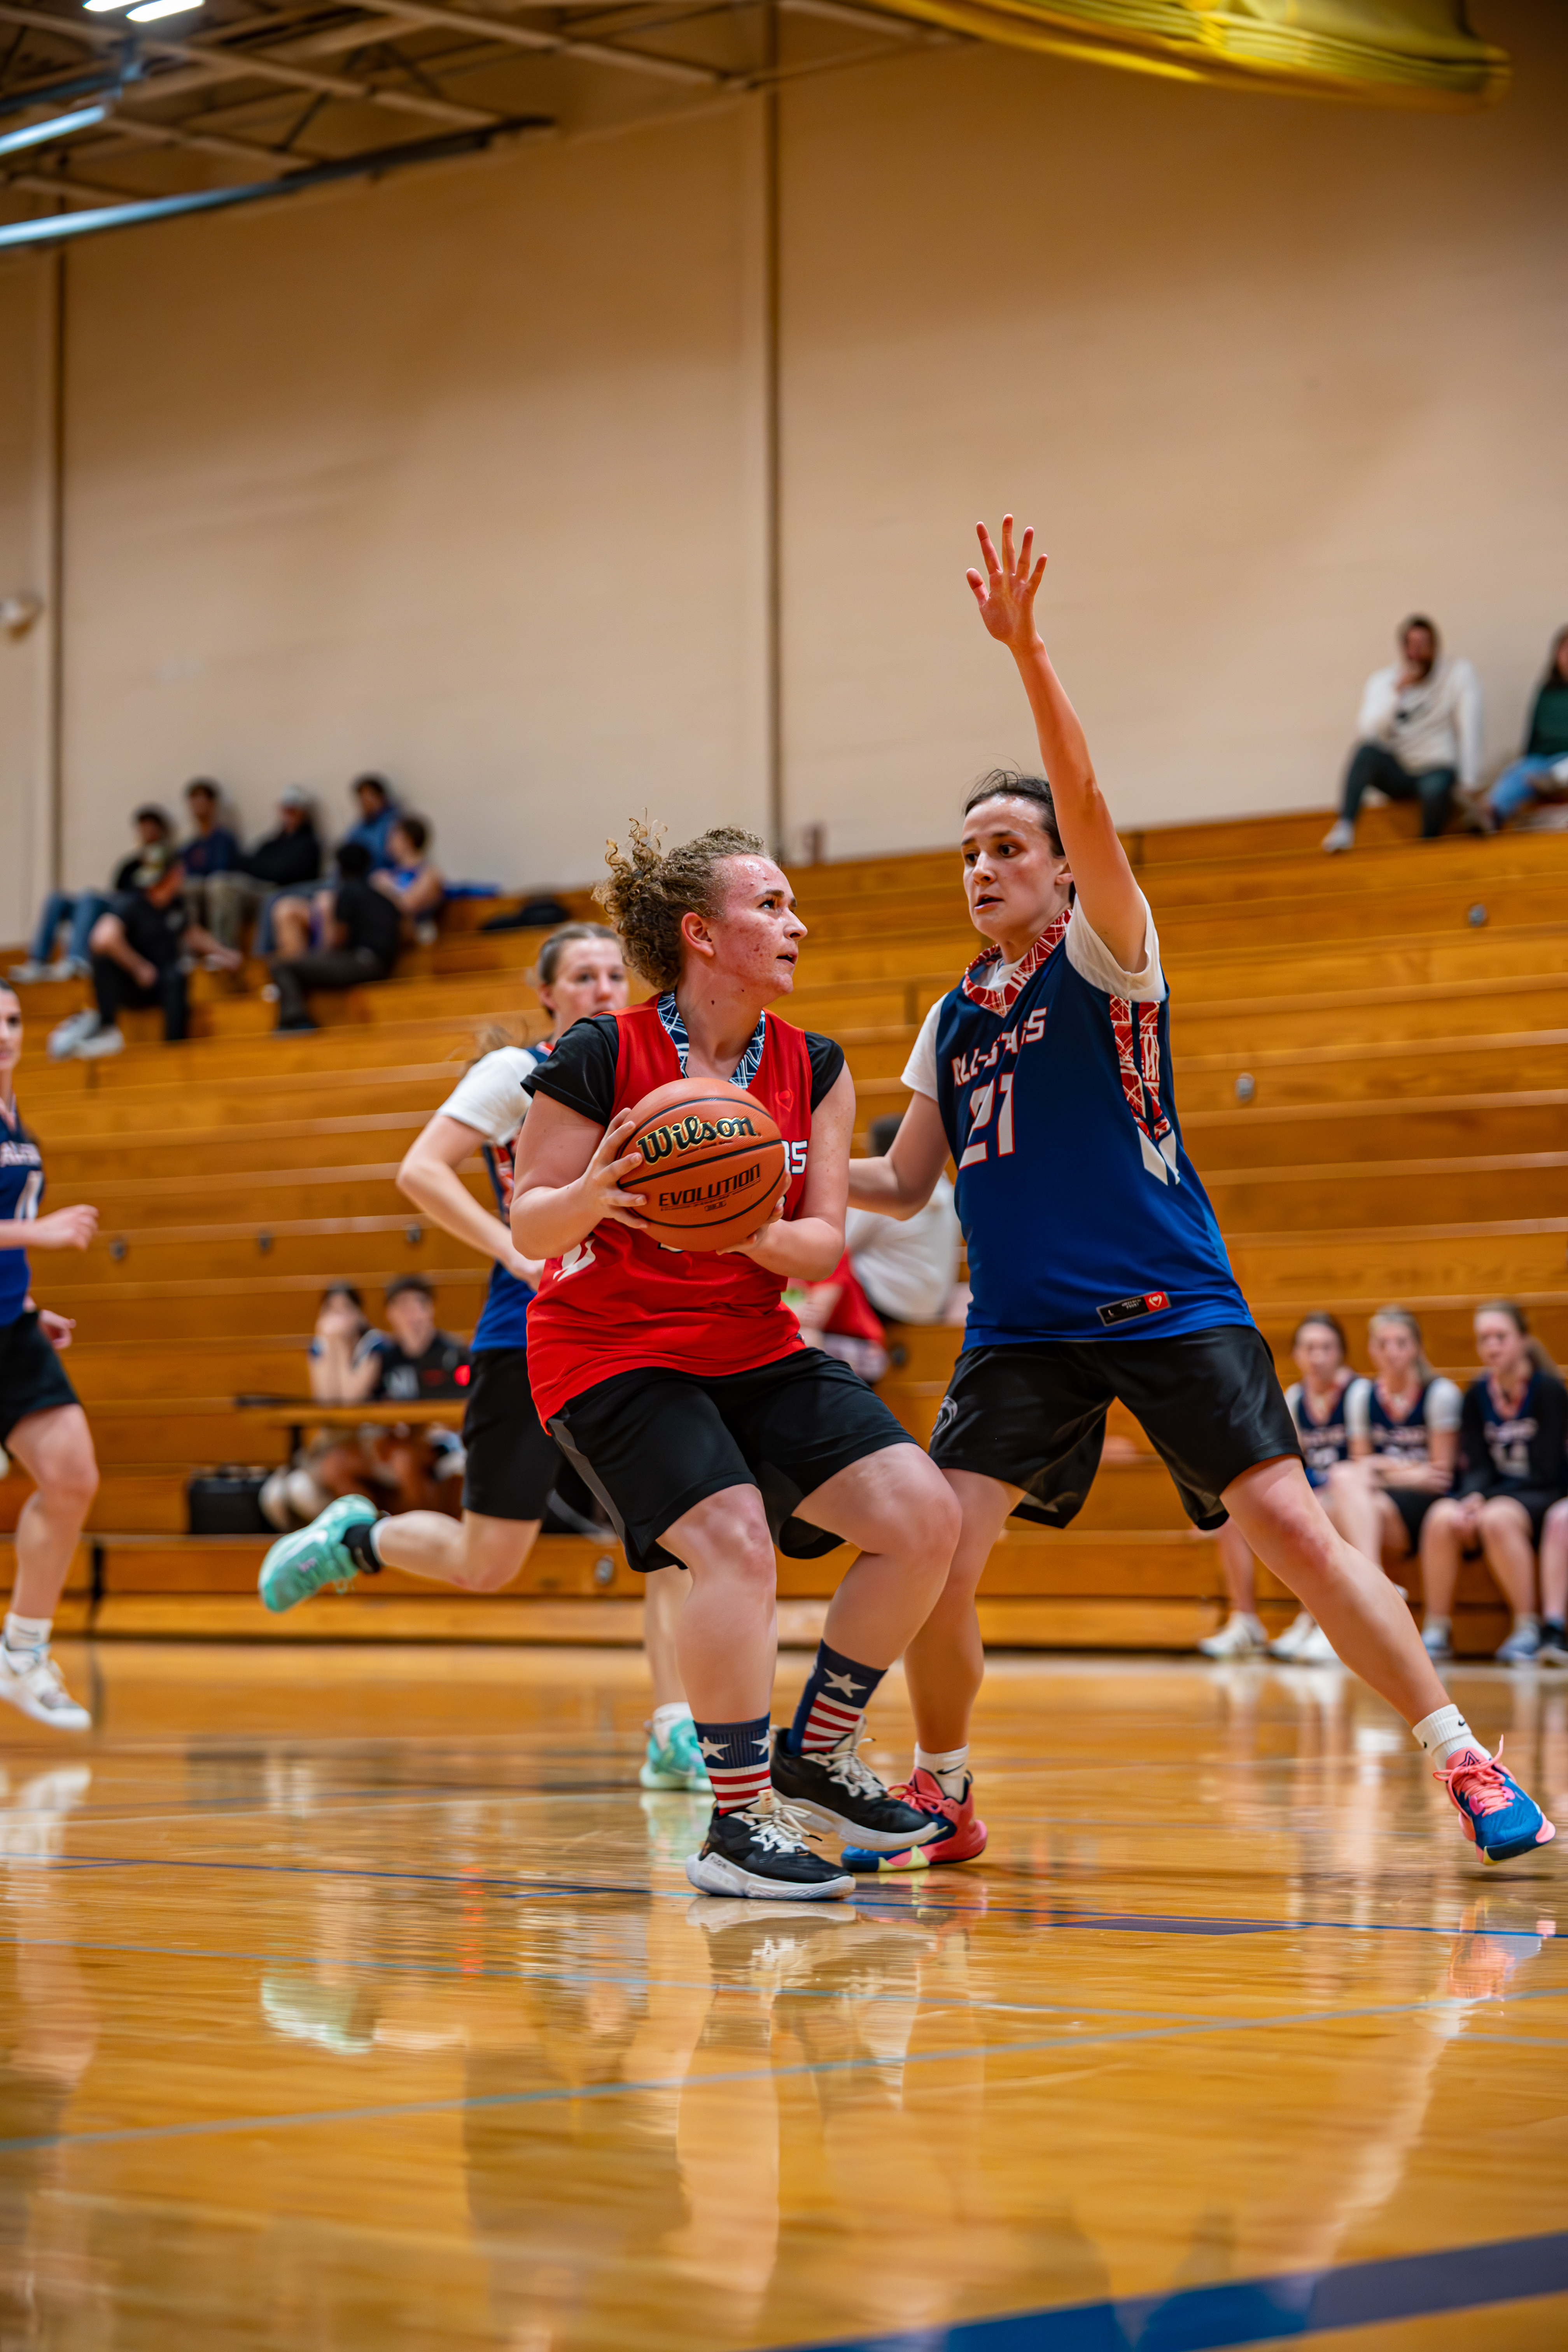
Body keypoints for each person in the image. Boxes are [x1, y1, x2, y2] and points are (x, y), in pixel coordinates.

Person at [844, 513, 1552, 1871]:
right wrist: (775, 1187)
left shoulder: (1111, 956)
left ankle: (1460, 1749)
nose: (983, 865)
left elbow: (1091, 797)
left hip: (1166, 1294)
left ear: (1060, 867)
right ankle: (943, 1783)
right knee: (931, 1545)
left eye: (1008, 844)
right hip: (1023, 1330)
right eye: (969, 852)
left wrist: (1028, 653)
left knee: (1289, 1525)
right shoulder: (950, 1015)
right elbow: (902, 1176)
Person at [509, 820, 961, 1900]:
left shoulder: (816, 1065)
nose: (794, 923)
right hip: (608, 1350)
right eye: (770, 906)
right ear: (702, 934)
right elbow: (530, 1223)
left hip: (751, 1338)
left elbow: (815, 1243)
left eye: (791, 905)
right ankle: (735, 1820)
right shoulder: (600, 1054)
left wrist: (731, 1221)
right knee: (735, 1542)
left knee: (923, 1518)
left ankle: (819, 1751)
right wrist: (604, 1197)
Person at [255, 924, 710, 1792]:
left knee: (680, 1535)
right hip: (530, 1332)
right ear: (548, 993)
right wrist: (510, 1247)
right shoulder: (518, 1073)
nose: (604, 988)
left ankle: (673, 1729)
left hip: (635, 1330)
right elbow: (421, 1170)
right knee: (488, 1562)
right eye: (583, 976)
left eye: (616, 973)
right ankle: (360, 1537)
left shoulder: (660, 1074)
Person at [0, 985, 98, 1728]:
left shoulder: (16, 1119)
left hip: (11, 1330)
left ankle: (22, 1654)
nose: (4, 1034)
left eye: (11, 1020)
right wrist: (39, 1236)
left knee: (72, 1479)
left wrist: (32, 1306)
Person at [1199, 1314, 1354, 1664]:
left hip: (1352, 1496)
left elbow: (1364, 1460)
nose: (1318, 1357)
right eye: (1310, 1348)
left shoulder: (1357, 1394)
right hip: (1316, 1490)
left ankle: (1319, 1622)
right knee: (1229, 1518)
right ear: (1297, 1355)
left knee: (1317, 1512)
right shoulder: (1295, 1398)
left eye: (1326, 1348)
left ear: (1341, 1354)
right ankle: (1246, 1621)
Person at [1419, 1302, 1568, 1665]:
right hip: (1498, 1494)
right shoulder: (1477, 1394)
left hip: (1543, 1494)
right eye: (1484, 1339)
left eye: (1501, 1337)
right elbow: (1478, 1465)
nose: (1492, 1346)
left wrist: (1485, 1500)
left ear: (1523, 1340)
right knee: (1443, 1515)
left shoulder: (1548, 1391)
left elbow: (1547, 1469)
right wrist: (1472, 1497)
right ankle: (1437, 1629)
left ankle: (1528, 1627)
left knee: (1497, 1517)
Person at [46, 819, 241, 1062]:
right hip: (132, 982)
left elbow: (191, 934)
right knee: (104, 963)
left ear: (175, 875)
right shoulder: (131, 903)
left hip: (163, 982)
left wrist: (224, 952)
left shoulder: (177, 906)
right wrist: (137, 966)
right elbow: (102, 938)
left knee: (178, 977)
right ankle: (107, 1028)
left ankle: (175, 1049)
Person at [1324, 1307, 1462, 1600]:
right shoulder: (1362, 1396)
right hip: (1386, 1499)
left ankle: (1370, 1586)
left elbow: (1440, 1478)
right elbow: (1361, 1468)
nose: (1391, 1352)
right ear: (1371, 1349)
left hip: (1427, 1506)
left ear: (1416, 1347)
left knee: (1341, 1498)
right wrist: (1413, 1470)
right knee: (1340, 1483)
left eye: (1401, 1343)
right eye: (1382, 1344)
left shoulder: (1440, 1394)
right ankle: (1376, 1581)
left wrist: (1381, 1468)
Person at [1321, 616, 1481, 851]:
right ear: (1403, 649)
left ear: (1436, 647)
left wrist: (1470, 780)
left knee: (1435, 787)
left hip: (1436, 768)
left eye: (1424, 644)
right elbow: (1369, 731)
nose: (1417, 651)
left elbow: (1471, 726)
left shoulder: (1458, 674)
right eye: (1411, 644)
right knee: (1365, 753)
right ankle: (1345, 828)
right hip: (1399, 770)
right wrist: (1397, 692)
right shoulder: (1384, 681)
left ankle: (1427, 847)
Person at [10, 807, 172, 988]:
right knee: (56, 899)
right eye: (143, 827)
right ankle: (38, 962)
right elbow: (116, 890)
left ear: (161, 830)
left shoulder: (169, 863)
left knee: (89, 897)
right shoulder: (130, 864)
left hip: (134, 914)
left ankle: (77, 960)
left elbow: (162, 896)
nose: (147, 832)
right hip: (115, 906)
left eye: (151, 827)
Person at [268, 840, 401, 1033]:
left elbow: (338, 938)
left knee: (282, 965)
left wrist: (316, 959)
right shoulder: (383, 897)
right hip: (385, 964)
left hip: (362, 962)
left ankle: (295, 1019)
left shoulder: (347, 893)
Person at [844, 1111, 961, 1327]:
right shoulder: (944, 1186)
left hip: (889, 1303)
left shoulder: (882, 1189)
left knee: (832, 1268)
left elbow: (845, 1245)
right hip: (932, 1306)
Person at [203, 786, 322, 953]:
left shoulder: (309, 844)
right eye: (286, 809)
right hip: (259, 888)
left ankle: (227, 952)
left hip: (283, 892)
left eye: (293, 809)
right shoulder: (272, 842)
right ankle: (218, 951)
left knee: (223, 886)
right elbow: (247, 864)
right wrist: (269, 869)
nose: (289, 814)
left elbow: (289, 874)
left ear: (303, 812)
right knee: (218, 882)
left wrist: (266, 869)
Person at [1474, 628, 1568, 834]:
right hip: (1544, 757)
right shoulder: (1546, 691)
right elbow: (1534, 731)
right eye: (1565, 651)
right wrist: (1527, 762)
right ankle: (1490, 812)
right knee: (1516, 771)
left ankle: (1553, 779)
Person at [172, 779, 241, 948]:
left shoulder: (225, 839)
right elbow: (184, 875)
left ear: (213, 804)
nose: (197, 807)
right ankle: (188, 951)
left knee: (217, 885)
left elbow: (223, 870)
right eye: (194, 802)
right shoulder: (189, 847)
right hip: (199, 892)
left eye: (202, 801)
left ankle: (222, 948)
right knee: (183, 889)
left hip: (223, 889)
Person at [373, 816, 446, 933]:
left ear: (408, 840)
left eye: (393, 837)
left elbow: (408, 906)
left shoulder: (430, 874)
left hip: (418, 935)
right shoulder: (388, 874)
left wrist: (386, 887)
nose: (388, 843)